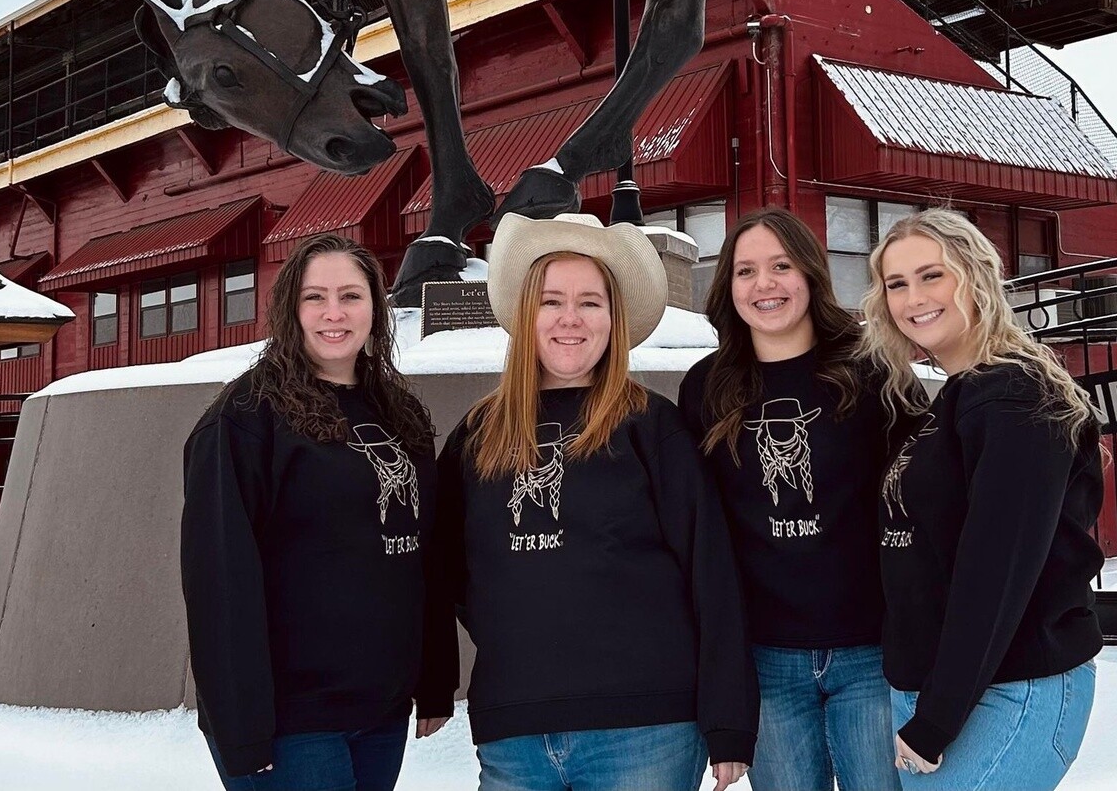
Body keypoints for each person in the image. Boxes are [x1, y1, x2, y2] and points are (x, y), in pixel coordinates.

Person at [433, 211, 758, 791]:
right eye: (551, 301)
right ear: (526, 314)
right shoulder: (477, 436)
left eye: (590, 302)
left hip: (646, 730)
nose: (570, 320)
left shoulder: (651, 428)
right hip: (515, 731)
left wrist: (729, 719)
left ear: (614, 319)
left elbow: (711, 573)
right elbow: (445, 573)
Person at [181, 233, 454, 791]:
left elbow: (424, 554)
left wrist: (432, 678)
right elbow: (219, 579)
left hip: (380, 711)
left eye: (351, 296)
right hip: (291, 720)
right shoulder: (245, 418)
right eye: (315, 297)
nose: (335, 313)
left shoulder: (397, 412)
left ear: (376, 309)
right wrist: (241, 727)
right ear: (289, 308)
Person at [863, 209, 1104, 791]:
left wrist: (937, 719)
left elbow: (996, 572)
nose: (912, 298)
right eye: (896, 284)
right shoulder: (956, 397)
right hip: (943, 687)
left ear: (975, 276)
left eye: (931, 276)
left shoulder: (1018, 398)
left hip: (1010, 689)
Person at [678, 208, 913, 791]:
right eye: (746, 270)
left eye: (781, 266)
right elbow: (699, 529)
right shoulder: (705, 388)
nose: (765, 285)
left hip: (872, 653)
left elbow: (922, 494)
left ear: (810, 274)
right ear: (727, 285)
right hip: (767, 658)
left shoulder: (870, 369)